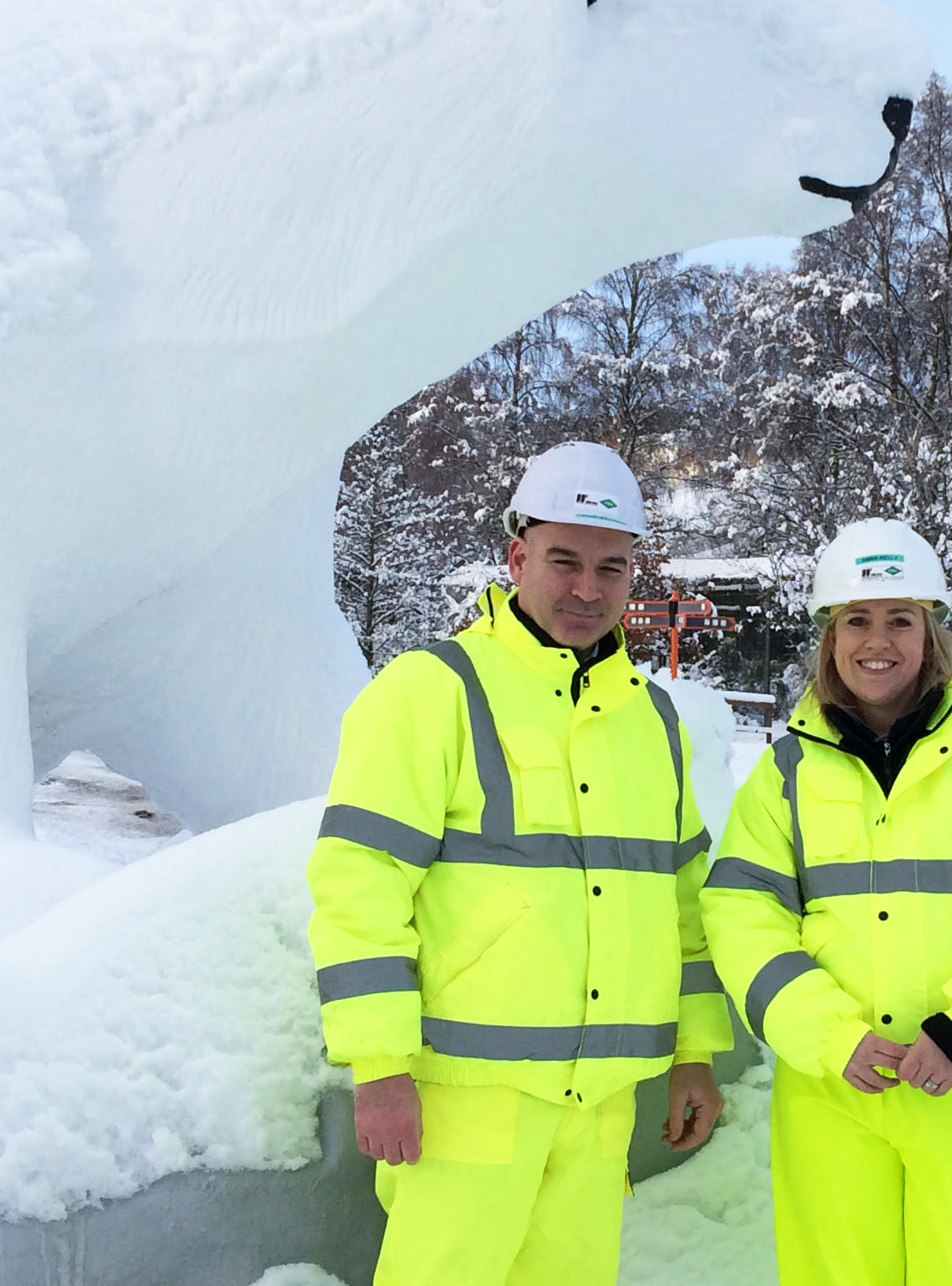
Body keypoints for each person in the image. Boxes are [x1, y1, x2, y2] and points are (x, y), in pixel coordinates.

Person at [306, 440, 731, 1286]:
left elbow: (685, 906)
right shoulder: (433, 689)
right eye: (563, 560)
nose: (587, 588)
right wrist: (379, 1066)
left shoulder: (653, 722)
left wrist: (696, 1051)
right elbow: (360, 884)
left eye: (611, 568)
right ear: (516, 556)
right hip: (469, 1103)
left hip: (602, 1106)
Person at [701, 518, 952, 1286]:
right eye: (856, 619)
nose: (876, 640)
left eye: (899, 619)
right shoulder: (786, 772)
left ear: (931, 631)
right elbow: (741, 914)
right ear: (828, 635)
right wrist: (827, 1034)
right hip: (832, 1098)